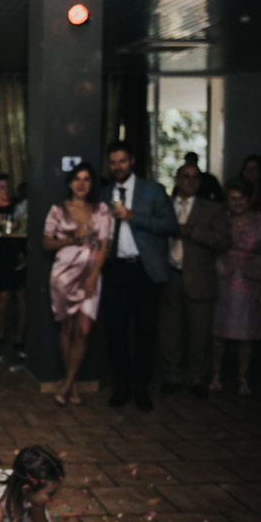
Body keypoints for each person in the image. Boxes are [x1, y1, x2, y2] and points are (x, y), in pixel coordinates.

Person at [99, 140, 178, 412]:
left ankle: (142, 387)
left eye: (121, 161)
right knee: (115, 330)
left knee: (146, 330)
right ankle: (121, 384)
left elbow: (170, 224)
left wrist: (134, 217)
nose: (117, 166)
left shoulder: (152, 191)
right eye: (112, 162)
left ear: (131, 160)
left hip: (145, 269)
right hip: (115, 269)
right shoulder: (104, 193)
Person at [158, 164, 231, 398]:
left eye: (195, 178)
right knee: (170, 332)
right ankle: (172, 376)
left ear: (200, 182)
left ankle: (197, 378)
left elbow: (224, 241)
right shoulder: (164, 206)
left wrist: (194, 232)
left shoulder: (213, 209)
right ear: (177, 179)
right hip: (170, 275)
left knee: (200, 333)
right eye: (186, 177)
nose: (190, 181)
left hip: (200, 278)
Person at [42, 163, 110, 406]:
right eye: (77, 179)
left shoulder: (101, 209)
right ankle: (71, 385)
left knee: (83, 331)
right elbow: (46, 243)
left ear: (92, 184)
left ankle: (68, 383)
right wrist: (72, 238)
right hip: (64, 275)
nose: (82, 183)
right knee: (67, 329)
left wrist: (93, 276)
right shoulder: (58, 210)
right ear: (70, 182)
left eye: (87, 179)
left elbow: (104, 245)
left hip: (90, 276)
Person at [212, 179, 261, 395]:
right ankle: (216, 376)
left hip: (252, 282)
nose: (237, 203)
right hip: (223, 278)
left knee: (247, 332)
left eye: (241, 199)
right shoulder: (221, 220)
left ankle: (243, 378)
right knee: (219, 330)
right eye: (233, 199)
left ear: (250, 198)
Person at [0, 173, 26, 349]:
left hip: (19, 252)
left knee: (22, 295)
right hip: (2, 253)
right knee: (4, 295)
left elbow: (20, 223)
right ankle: (1, 329)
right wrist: (14, 219)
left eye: (7, 187)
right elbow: (4, 222)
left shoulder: (18, 204)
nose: (6, 191)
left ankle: (20, 336)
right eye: (1, 187)